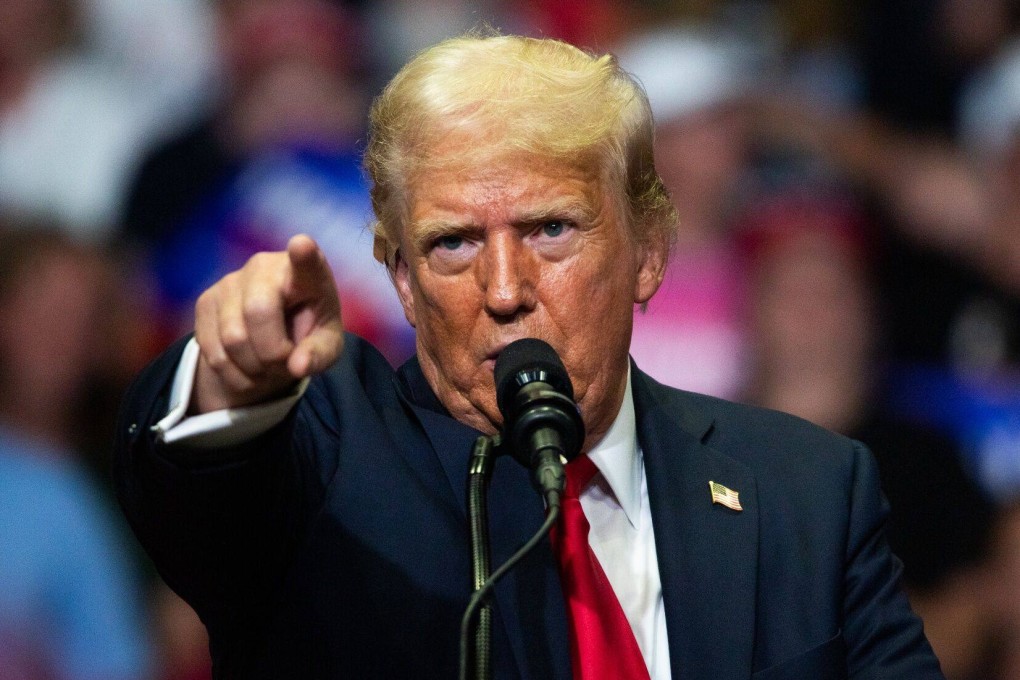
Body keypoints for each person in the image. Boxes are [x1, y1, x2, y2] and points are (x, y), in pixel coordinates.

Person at [114, 33, 945, 679]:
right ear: (402, 281)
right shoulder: (331, 451)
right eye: (451, 244)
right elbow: (201, 497)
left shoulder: (805, 489)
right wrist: (229, 384)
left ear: (648, 252)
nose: (503, 287)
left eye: (551, 229)